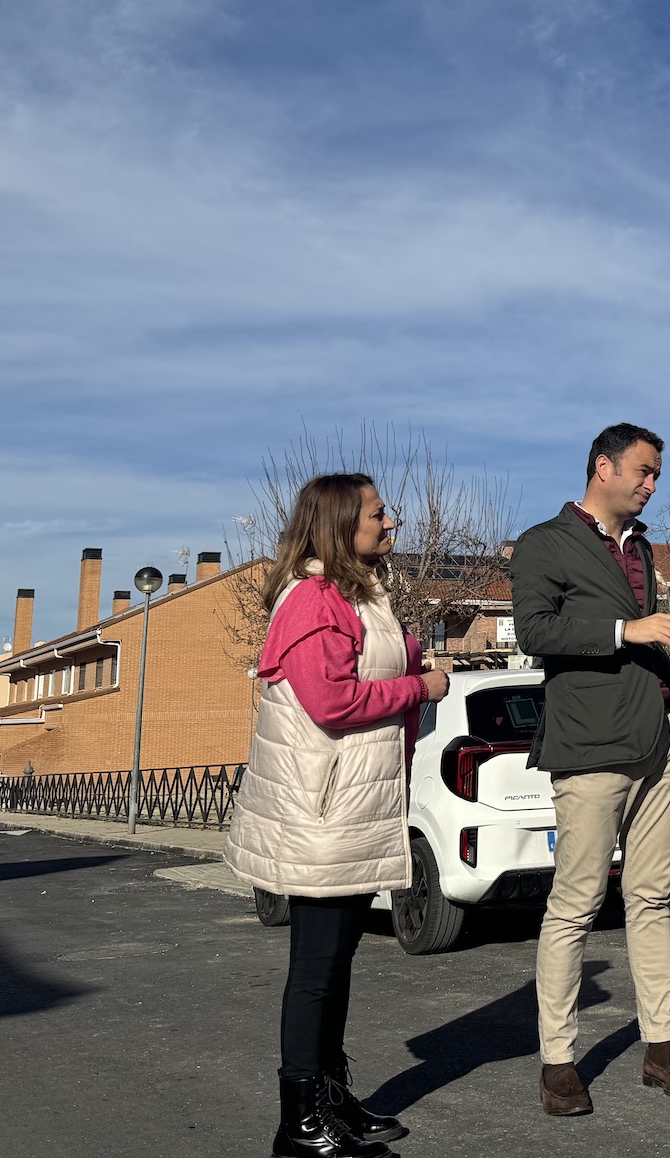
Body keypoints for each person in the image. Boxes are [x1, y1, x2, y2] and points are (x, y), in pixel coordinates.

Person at [226, 473, 449, 1158]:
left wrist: (412, 654)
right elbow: (330, 701)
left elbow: (362, 658)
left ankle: (328, 1096)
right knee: (317, 967)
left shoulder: (356, 591)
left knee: (338, 961)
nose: (392, 522)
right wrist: (421, 685)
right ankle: (297, 1124)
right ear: (340, 523)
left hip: (350, 802)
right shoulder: (312, 599)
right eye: (380, 514)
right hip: (320, 810)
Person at [511, 422, 670, 1116]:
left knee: (651, 897)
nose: (653, 485)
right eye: (644, 472)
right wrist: (629, 630)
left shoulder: (641, 549)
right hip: (590, 747)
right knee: (574, 905)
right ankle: (558, 1061)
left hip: (658, 739)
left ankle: (661, 1047)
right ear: (603, 467)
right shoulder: (544, 543)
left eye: (657, 474)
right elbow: (535, 631)